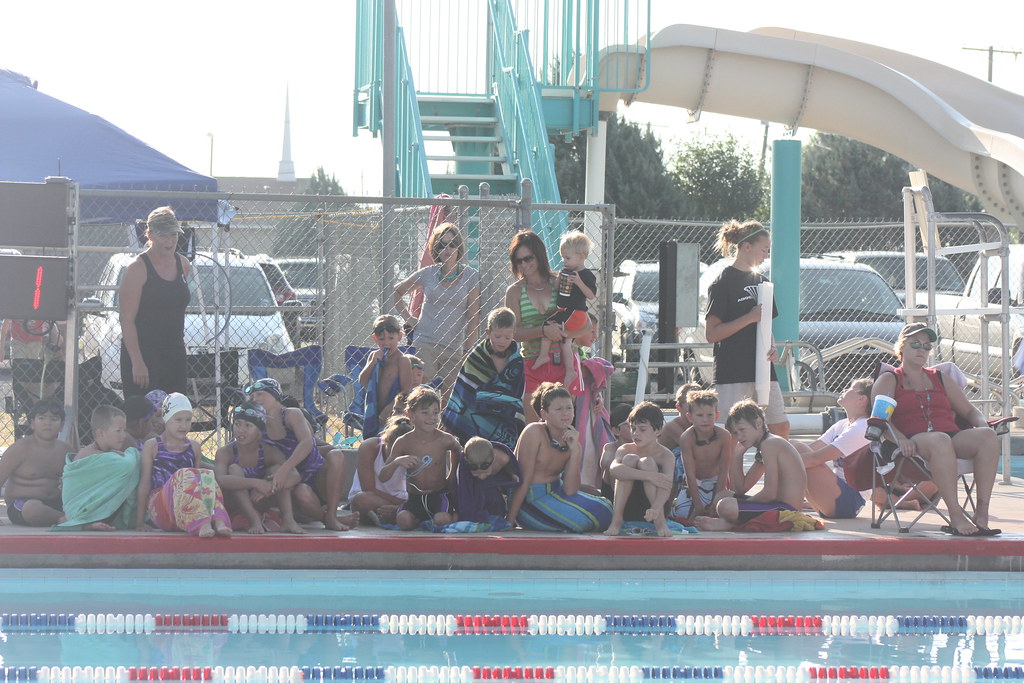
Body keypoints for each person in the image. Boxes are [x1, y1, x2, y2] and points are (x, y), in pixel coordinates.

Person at [871, 323, 1000, 536]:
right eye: (915, 344)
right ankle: (956, 516)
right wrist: (900, 438)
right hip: (910, 440)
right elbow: (880, 418)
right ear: (901, 347)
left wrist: (983, 424)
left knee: (987, 436)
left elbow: (969, 410)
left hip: (948, 436)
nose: (921, 349)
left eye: (926, 346)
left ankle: (981, 513)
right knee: (940, 439)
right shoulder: (890, 379)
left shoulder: (939, 377)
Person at [705, 220, 789, 437]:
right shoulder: (722, 283)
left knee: (779, 425)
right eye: (763, 250)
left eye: (768, 251)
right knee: (730, 431)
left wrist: (772, 346)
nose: (766, 256)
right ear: (746, 246)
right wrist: (749, 317)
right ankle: (730, 462)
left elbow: (765, 323)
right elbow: (712, 334)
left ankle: (772, 460)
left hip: (763, 368)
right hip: (733, 370)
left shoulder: (763, 282)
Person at [245, 377, 357, 531]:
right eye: (252, 397)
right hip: (292, 485)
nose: (255, 399)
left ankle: (332, 514)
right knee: (301, 492)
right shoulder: (258, 425)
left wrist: (284, 469)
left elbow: (307, 442)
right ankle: (327, 519)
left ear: (275, 395)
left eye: (260, 394)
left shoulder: (292, 414)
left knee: (336, 455)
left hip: (316, 477)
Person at [506, 383, 613, 532]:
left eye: (569, 408)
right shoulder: (534, 432)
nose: (565, 414)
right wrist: (509, 521)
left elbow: (570, 490)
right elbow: (523, 480)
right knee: (581, 522)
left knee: (606, 508)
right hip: (529, 499)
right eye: (559, 409)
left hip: (558, 493)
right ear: (544, 414)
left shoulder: (573, 441)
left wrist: (574, 451)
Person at [394, 222, 481, 402]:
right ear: (435, 248)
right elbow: (397, 292)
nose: (447, 249)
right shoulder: (428, 273)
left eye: (452, 244)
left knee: (450, 400)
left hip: (454, 347)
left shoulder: (471, 276)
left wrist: (467, 349)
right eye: (442, 245)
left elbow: (474, 317)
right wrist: (409, 318)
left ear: (459, 246)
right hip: (426, 343)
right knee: (422, 397)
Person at [504, 231, 584, 424]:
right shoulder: (514, 291)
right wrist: (543, 330)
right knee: (534, 427)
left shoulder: (560, 282)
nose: (524, 264)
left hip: (564, 363)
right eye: (518, 261)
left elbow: (584, 323)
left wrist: (564, 333)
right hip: (533, 363)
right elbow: (513, 334)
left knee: (562, 426)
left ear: (539, 255)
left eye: (528, 258)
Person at [694, 400, 807, 531]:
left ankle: (729, 525)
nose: (739, 436)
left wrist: (742, 504)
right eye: (736, 432)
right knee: (722, 495)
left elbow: (769, 493)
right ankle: (726, 521)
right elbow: (740, 489)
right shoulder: (765, 444)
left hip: (786, 511)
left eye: (742, 429)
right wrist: (737, 455)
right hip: (776, 505)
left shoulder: (770, 444)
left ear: (758, 423)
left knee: (726, 506)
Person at [135, 393, 232, 538]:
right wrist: (140, 522)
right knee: (185, 474)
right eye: (178, 420)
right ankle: (203, 522)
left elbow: (199, 485)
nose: (184, 425)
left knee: (205, 476)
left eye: (188, 420)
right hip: (163, 510)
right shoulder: (153, 446)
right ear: (166, 419)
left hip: (185, 511)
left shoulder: (194, 447)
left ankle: (218, 520)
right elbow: (144, 484)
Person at [119, 206, 191, 395]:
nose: (170, 241)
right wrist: (137, 362)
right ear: (150, 235)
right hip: (144, 354)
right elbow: (126, 320)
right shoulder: (137, 268)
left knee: (175, 409)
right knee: (143, 411)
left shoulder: (183, 264)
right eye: (164, 235)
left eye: (173, 234)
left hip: (174, 353)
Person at [442, 307, 525, 451]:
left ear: (514, 334)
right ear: (488, 333)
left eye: (507, 337)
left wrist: (491, 399)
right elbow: (463, 392)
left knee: (504, 454)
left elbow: (517, 394)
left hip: (503, 423)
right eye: (497, 336)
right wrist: (490, 398)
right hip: (474, 418)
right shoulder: (476, 358)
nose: (502, 341)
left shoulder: (516, 362)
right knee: (466, 448)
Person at [214, 402, 304, 535]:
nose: (241, 430)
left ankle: (288, 520)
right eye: (237, 424)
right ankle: (254, 519)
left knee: (278, 470)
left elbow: (295, 476)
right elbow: (220, 480)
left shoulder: (269, 451)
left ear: (260, 431)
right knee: (234, 469)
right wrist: (256, 483)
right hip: (235, 502)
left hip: (260, 499)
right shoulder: (225, 452)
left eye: (248, 425)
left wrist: (269, 487)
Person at [380, 386, 460, 530]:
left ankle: (455, 516)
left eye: (435, 413)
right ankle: (420, 521)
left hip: (438, 496)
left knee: (442, 520)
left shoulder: (445, 440)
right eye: (425, 413)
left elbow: (457, 450)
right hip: (414, 497)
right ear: (411, 414)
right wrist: (397, 462)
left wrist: (452, 473)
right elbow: (383, 476)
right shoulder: (403, 442)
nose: (432, 418)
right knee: (403, 521)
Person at [58, 405, 140, 532]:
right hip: (81, 510)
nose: (124, 435)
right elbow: (128, 463)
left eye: (124, 430)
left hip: (96, 511)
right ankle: (86, 523)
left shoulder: (110, 453)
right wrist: (132, 453)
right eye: (118, 431)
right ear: (100, 433)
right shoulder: (90, 455)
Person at [533, 232, 597, 388]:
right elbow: (556, 288)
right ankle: (570, 371)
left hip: (575, 312)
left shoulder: (586, 275)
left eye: (567, 258)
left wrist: (579, 282)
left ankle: (543, 355)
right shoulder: (566, 271)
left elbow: (591, 295)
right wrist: (559, 278)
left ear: (581, 257)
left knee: (548, 325)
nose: (564, 261)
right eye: (562, 257)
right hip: (565, 311)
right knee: (566, 342)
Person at [604, 402, 676, 537]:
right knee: (629, 459)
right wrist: (649, 476)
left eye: (642, 429)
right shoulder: (625, 449)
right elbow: (614, 469)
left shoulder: (666, 455)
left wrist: (656, 508)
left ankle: (660, 522)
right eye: (632, 428)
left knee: (647, 462)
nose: (636, 433)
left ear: (658, 430)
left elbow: (666, 484)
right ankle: (617, 519)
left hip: (655, 507)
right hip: (627, 505)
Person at [0, 398, 71, 526]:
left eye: (54, 419)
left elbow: (79, 481)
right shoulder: (19, 448)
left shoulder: (66, 450)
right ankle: (67, 519)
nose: (47, 423)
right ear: (32, 423)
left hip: (55, 504)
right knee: (32, 509)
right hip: (22, 506)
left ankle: (63, 517)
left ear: (62, 425)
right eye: (41, 418)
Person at [673, 390, 731, 522]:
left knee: (724, 509)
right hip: (694, 483)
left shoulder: (724, 436)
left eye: (710, 415)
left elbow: (724, 472)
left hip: (717, 482)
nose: (705, 420)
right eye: (699, 415)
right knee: (681, 513)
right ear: (690, 417)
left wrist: (716, 502)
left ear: (717, 415)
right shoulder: (686, 438)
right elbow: (690, 475)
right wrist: (698, 506)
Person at [348, 415, 414, 526]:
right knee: (362, 500)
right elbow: (368, 489)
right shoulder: (369, 446)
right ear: (386, 441)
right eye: (395, 451)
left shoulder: (414, 451)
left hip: (399, 500)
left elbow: (415, 492)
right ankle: (394, 514)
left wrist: (400, 506)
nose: (398, 455)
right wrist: (399, 505)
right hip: (374, 498)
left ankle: (395, 515)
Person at [359, 314, 415, 439]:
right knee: (373, 443)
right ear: (375, 338)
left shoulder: (402, 361)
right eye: (381, 339)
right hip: (374, 412)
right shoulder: (373, 356)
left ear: (399, 337)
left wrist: (388, 410)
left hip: (393, 414)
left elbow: (406, 392)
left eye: (391, 338)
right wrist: (372, 363)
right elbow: (362, 381)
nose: (386, 343)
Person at [453, 437, 521, 523]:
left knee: (495, 501)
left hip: (494, 485)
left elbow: (510, 466)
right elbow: (464, 490)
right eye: (476, 473)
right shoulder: (464, 462)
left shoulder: (504, 458)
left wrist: (512, 474)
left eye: (485, 472)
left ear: (493, 459)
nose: (481, 476)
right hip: (477, 488)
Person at [582, 403, 633, 496]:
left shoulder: (642, 445)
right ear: (616, 431)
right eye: (630, 425)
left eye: (638, 423)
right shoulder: (610, 448)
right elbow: (610, 464)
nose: (635, 428)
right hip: (614, 497)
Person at [660, 383, 702, 452]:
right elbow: (694, 448)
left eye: (700, 404)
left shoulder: (698, 424)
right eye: (691, 405)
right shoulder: (672, 427)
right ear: (679, 407)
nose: (696, 409)